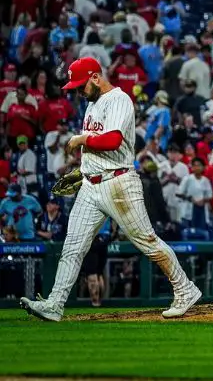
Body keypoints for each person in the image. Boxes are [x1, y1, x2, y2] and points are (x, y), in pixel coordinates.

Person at [21, 57, 202, 322]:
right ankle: (55, 304)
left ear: (95, 77)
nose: (78, 91)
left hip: (118, 184)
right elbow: (96, 146)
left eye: (81, 85)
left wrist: (81, 139)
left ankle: (185, 289)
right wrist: (82, 170)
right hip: (90, 186)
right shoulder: (92, 104)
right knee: (72, 247)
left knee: (147, 242)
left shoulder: (119, 99)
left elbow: (113, 140)